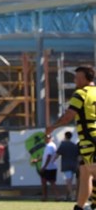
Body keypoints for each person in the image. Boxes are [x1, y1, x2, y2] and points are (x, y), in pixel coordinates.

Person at [46, 65, 96, 210]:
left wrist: (52, 127)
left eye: (76, 78)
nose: (75, 81)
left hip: (90, 138)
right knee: (85, 172)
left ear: (82, 79)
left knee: (91, 170)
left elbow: (68, 116)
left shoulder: (81, 93)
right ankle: (80, 207)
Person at [54, 131, 79, 201]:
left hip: (66, 165)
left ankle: (72, 196)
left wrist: (52, 161)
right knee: (71, 181)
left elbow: (57, 155)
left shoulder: (63, 145)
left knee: (68, 181)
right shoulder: (74, 145)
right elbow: (78, 156)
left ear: (65, 136)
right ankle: (68, 196)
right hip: (74, 165)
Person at [34, 134, 58, 201]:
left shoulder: (50, 146)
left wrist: (44, 167)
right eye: (45, 138)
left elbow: (49, 157)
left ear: (51, 138)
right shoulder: (49, 146)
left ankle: (54, 197)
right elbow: (45, 157)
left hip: (49, 168)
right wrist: (38, 160)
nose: (46, 139)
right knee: (45, 182)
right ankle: (46, 197)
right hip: (50, 167)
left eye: (48, 138)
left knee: (50, 183)